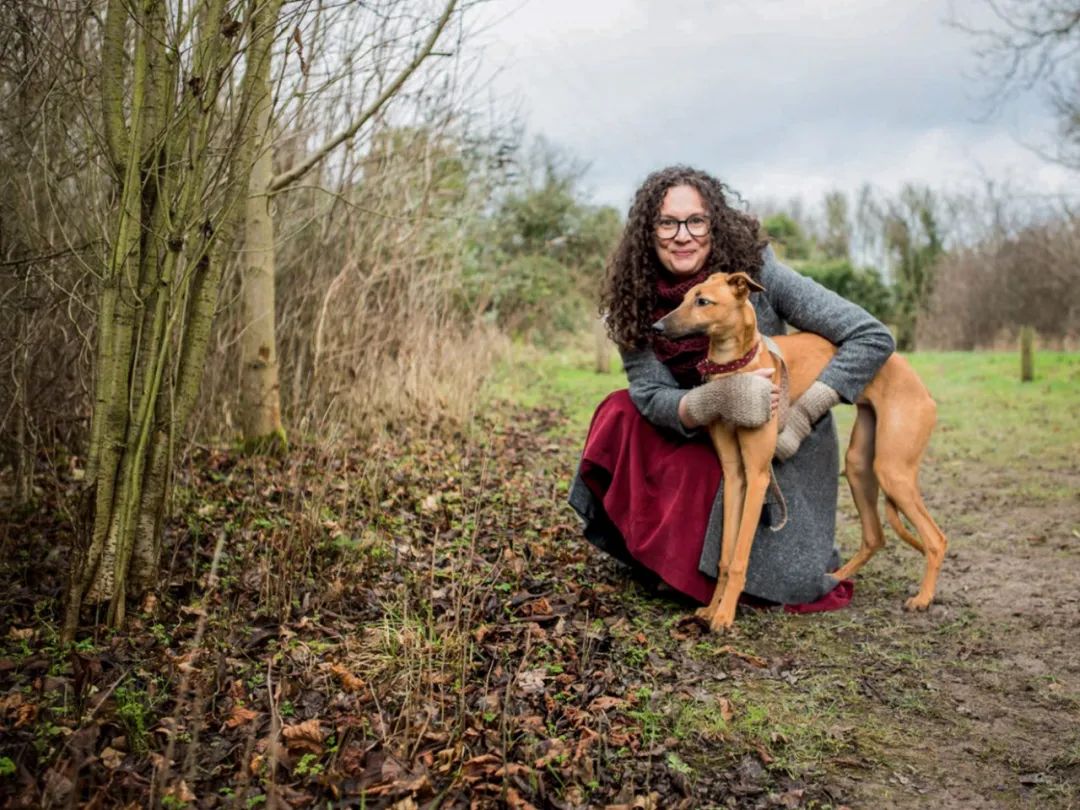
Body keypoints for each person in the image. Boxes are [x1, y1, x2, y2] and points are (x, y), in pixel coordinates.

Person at [568, 166, 895, 610]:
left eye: (695, 221)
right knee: (620, 411)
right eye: (667, 223)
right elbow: (650, 396)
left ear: (713, 223)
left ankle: (713, 570)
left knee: (721, 473)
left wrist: (799, 416)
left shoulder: (758, 274)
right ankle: (667, 560)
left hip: (777, 444)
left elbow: (871, 336)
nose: (682, 235)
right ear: (649, 232)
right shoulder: (636, 301)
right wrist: (717, 398)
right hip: (702, 431)